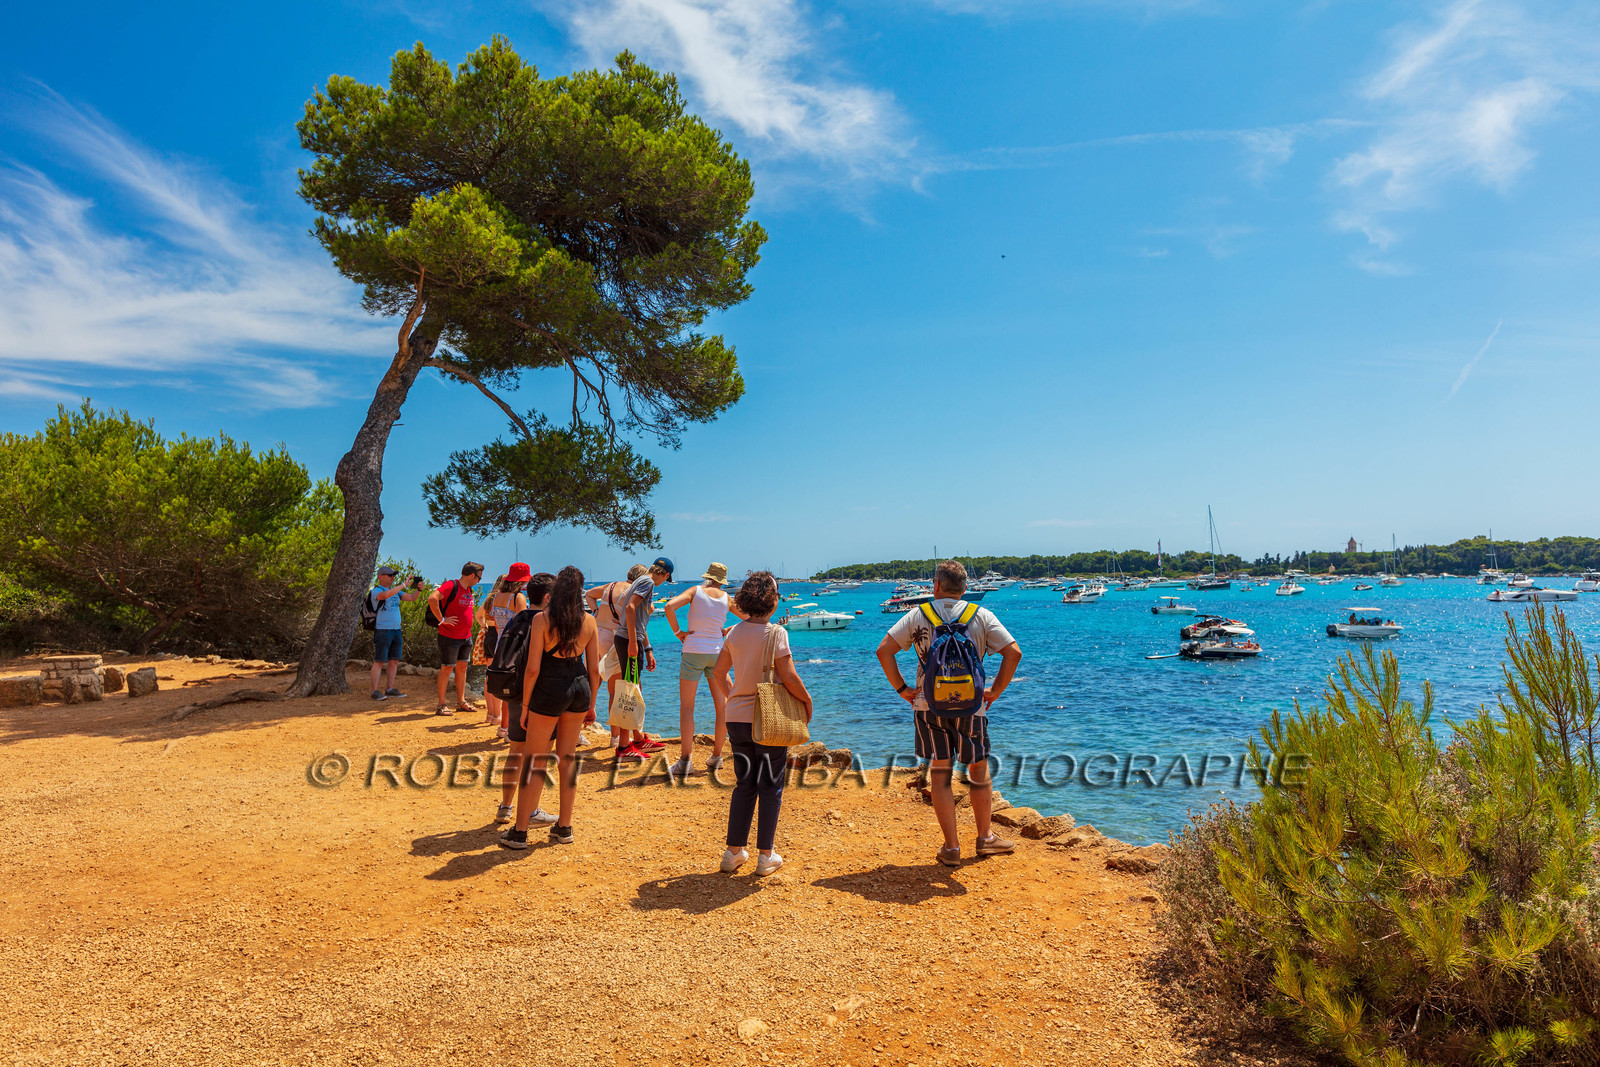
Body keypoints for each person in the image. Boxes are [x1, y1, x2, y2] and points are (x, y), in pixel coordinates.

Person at [874, 559, 1023, 868]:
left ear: (936, 585)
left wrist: (903, 690)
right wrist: (994, 691)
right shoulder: (980, 615)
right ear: (965, 589)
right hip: (972, 706)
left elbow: (884, 650)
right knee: (978, 772)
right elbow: (1013, 652)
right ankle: (985, 839)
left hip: (928, 705)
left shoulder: (917, 614)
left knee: (941, 774)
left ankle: (951, 848)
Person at [712, 571, 811, 876]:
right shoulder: (775, 633)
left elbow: (718, 673)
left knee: (744, 785)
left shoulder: (735, 633)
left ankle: (732, 853)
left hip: (736, 719)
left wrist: (735, 697)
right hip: (767, 722)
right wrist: (807, 701)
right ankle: (765, 856)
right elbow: (789, 674)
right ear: (771, 600)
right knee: (770, 786)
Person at [499, 566, 601, 849]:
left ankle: (520, 832)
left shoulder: (543, 620)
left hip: (550, 687)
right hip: (579, 685)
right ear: (579, 591)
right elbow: (595, 670)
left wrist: (528, 705)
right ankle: (564, 827)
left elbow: (532, 669)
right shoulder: (589, 621)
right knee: (567, 758)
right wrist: (592, 702)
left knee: (534, 760)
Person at [662, 561, 740, 777]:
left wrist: (678, 632)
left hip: (693, 651)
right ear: (722, 581)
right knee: (722, 706)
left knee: (687, 707)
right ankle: (716, 757)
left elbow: (669, 607)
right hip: (717, 654)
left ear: (708, 576)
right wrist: (727, 630)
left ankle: (685, 761)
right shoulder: (727, 598)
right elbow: (750, 618)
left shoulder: (695, 591)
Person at [494, 571, 558, 826]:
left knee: (516, 750)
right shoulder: (546, 621)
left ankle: (505, 806)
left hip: (514, 691)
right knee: (541, 753)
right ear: (547, 597)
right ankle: (531, 811)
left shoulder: (516, 617)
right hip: (539, 694)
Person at [586, 564, 663, 760]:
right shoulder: (634, 591)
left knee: (611, 689)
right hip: (618, 639)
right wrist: (647, 647)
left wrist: (595, 611)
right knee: (626, 690)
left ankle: (622, 737)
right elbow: (636, 623)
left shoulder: (609, 586)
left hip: (598, 636)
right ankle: (621, 741)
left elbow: (588, 594)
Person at [614, 557, 676, 760]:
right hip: (628, 640)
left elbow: (630, 609)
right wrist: (633, 642)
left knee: (635, 689)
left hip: (629, 638)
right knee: (630, 692)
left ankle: (639, 739)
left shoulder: (641, 580)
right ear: (665, 575)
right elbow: (631, 608)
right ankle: (624, 747)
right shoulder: (648, 582)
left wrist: (646, 647)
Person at [480, 563, 531, 734]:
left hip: (499, 643)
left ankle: (503, 726)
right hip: (514, 645)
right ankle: (509, 728)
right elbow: (524, 623)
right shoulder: (517, 598)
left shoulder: (497, 597)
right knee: (514, 689)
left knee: (505, 687)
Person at [430, 562, 484, 716]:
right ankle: (441, 704)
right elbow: (432, 599)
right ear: (472, 575)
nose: (478, 581)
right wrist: (442, 620)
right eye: (479, 578)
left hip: (465, 637)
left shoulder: (468, 590)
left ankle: (461, 701)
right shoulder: (451, 585)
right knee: (447, 668)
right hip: (449, 636)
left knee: (462, 668)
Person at [367, 566, 423, 699]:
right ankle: (374, 691)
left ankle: (390, 689)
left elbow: (411, 598)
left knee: (394, 660)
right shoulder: (375, 591)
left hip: (396, 630)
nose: (392, 577)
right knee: (379, 661)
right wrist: (403, 584)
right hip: (383, 630)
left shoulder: (396, 592)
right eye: (389, 575)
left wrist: (419, 589)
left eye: (393, 575)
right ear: (380, 576)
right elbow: (385, 595)